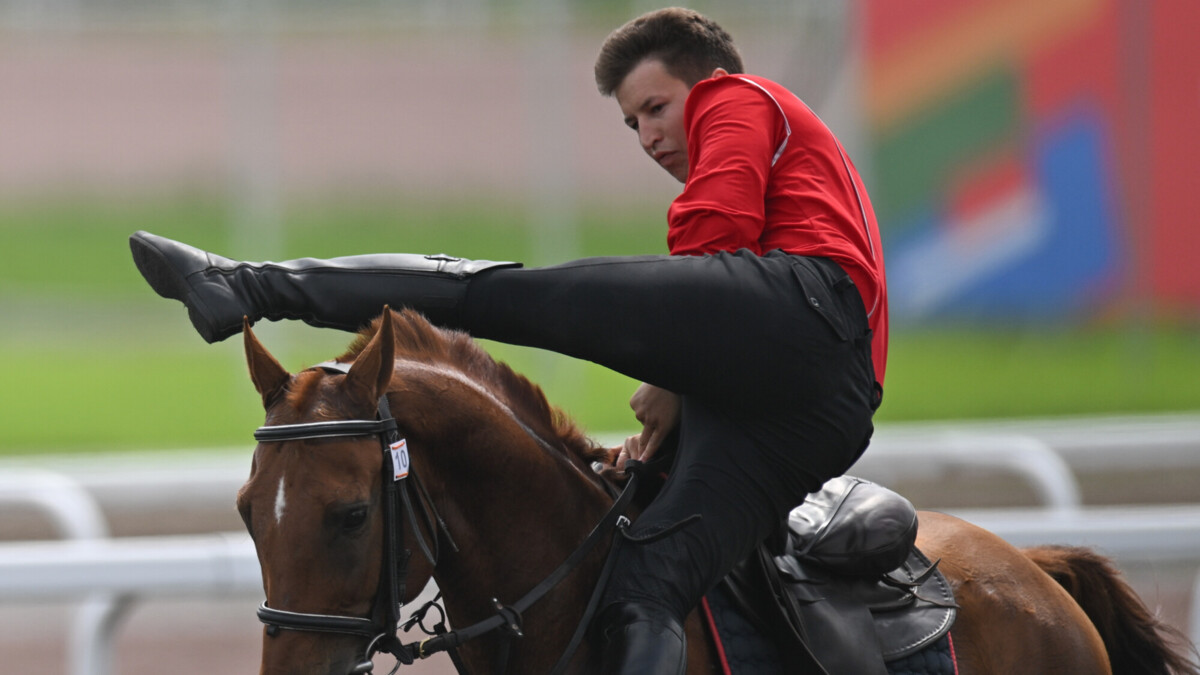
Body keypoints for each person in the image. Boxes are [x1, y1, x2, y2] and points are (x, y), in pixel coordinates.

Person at [129, 7, 887, 674]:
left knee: (511, 296)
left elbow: (715, 245)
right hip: (812, 412)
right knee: (644, 587)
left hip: (812, 320)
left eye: (656, 107)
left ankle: (248, 286)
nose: (649, 135)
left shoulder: (739, 96)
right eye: (632, 123)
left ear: (708, 81)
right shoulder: (762, 177)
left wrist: (672, 373)